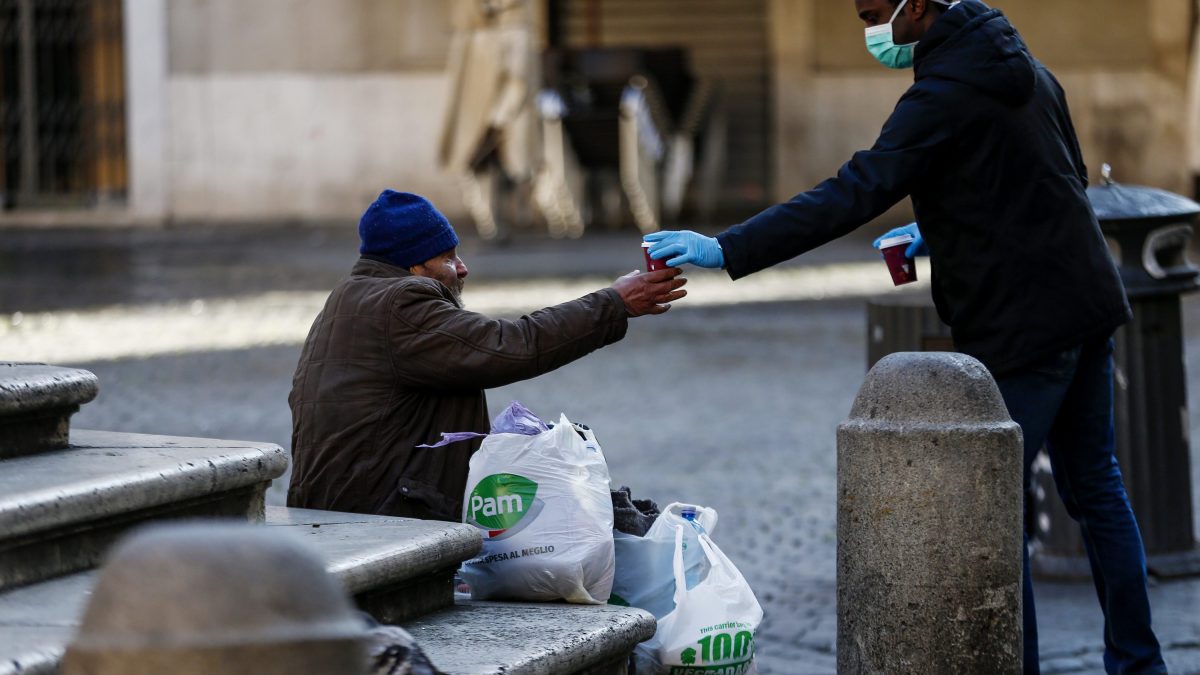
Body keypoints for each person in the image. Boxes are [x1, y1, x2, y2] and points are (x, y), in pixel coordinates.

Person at [644, 1, 1165, 673]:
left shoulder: (941, 94)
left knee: (992, 510)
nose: (869, 31)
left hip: (1026, 324)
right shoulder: (1022, 64)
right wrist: (941, 225)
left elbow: (853, 191)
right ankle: (1140, 662)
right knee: (1097, 487)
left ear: (917, 5)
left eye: (872, 13)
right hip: (1086, 300)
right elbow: (1054, 174)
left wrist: (726, 247)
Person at [289, 189, 685, 523]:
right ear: (413, 265)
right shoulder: (400, 304)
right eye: (447, 258)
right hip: (380, 515)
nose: (463, 269)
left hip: (345, 506)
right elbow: (510, 345)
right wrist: (614, 303)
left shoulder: (349, 298)